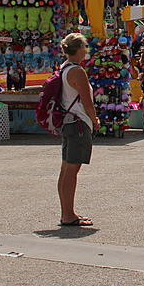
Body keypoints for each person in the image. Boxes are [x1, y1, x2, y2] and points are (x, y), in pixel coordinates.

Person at [52, 33, 101, 227]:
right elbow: (87, 102)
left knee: (66, 169)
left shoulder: (64, 68)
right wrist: (95, 119)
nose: (87, 50)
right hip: (78, 123)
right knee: (72, 170)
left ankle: (67, 212)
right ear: (79, 49)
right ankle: (68, 215)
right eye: (85, 47)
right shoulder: (78, 71)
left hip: (69, 121)